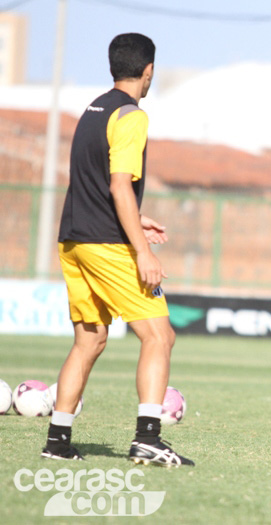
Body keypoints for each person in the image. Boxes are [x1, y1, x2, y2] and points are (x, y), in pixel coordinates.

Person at [41, 33, 193, 467]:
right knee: (159, 335)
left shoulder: (92, 111)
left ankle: (57, 439)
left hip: (74, 239)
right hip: (106, 244)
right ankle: (148, 438)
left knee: (89, 340)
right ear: (148, 71)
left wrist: (136, 218)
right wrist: (142, 249)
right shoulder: (132, 116)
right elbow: (118, 183)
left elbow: (92, 181)